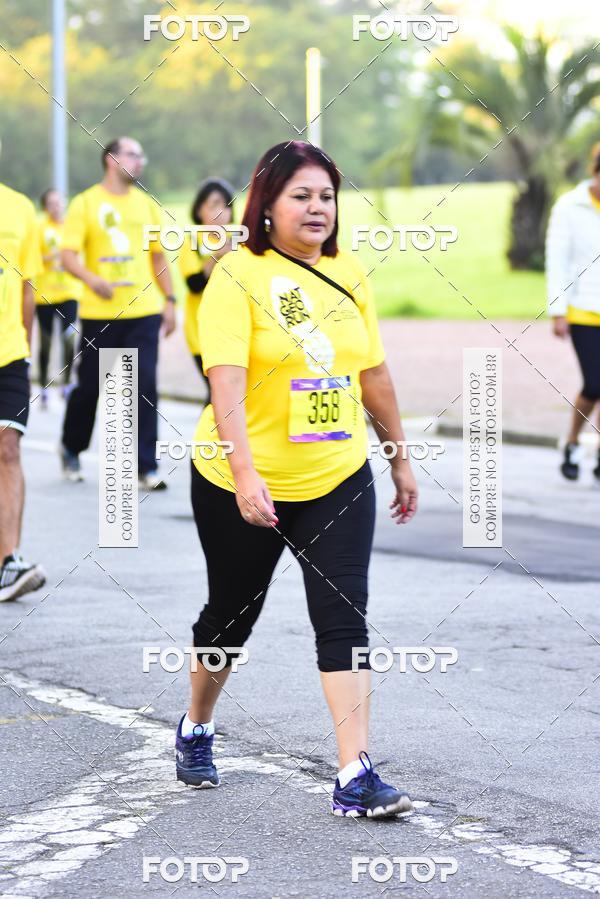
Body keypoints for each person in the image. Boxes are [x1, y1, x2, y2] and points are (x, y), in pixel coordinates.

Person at [175, 141, 419, 818]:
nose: (318, 208)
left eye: (327, 196)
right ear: (268, 205)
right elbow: (225, 381)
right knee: (231, 615)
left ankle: (355, 772)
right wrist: (246, 474)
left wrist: (398, 454)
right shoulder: (236, 275)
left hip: (337, 473)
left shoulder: (348, 271)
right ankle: (197, 723)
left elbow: (372, 372)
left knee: (343, 615)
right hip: (239, 480)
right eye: (301, 196)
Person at [59, 136, 176, 489]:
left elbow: (158, 256)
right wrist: (91, 278)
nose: (141, 161)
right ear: (111, 159)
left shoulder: (146, 205)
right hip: (100, 314)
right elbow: (67, 255)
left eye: (142, 155)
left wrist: (170, 301)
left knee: (145, 386)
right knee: (91, 386)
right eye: (133, 154)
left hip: (144, 311)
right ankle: (71, 446)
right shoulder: (85, 204)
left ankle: (146, 466)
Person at [0, 168, 46, 602]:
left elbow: (27, 288)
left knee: (8, 448)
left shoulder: (18, 207)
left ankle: (7, 561)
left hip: (9, 353)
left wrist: (27, 350)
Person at [546, 142, 600, 482]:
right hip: (583, 309)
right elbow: (557, 259)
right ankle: (573, 440)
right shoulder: (570, 205)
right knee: (595, 383)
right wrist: (557, 310)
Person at [179, 178, 235, 404]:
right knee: (218, 393)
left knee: (227, 395)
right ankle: (209, 438)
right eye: (214, 205)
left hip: (232, 331)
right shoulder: (192, 241)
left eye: (226, 205)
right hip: (201, 334)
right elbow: (193, 284)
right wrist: (217, 255)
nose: (221, 212)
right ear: (199, 209)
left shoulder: (238, 240)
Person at [34, 188, 82, 408]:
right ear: (45, 206)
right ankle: (43, 385)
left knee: (69, 338)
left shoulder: (71, 226)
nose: (56, 207)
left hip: (69, 292)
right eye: (51, 203)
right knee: (45, 342)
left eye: (59, 202)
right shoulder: (40, 228)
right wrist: (51, 256)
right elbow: (32, 257)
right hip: (44, 294)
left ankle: (66, 383)